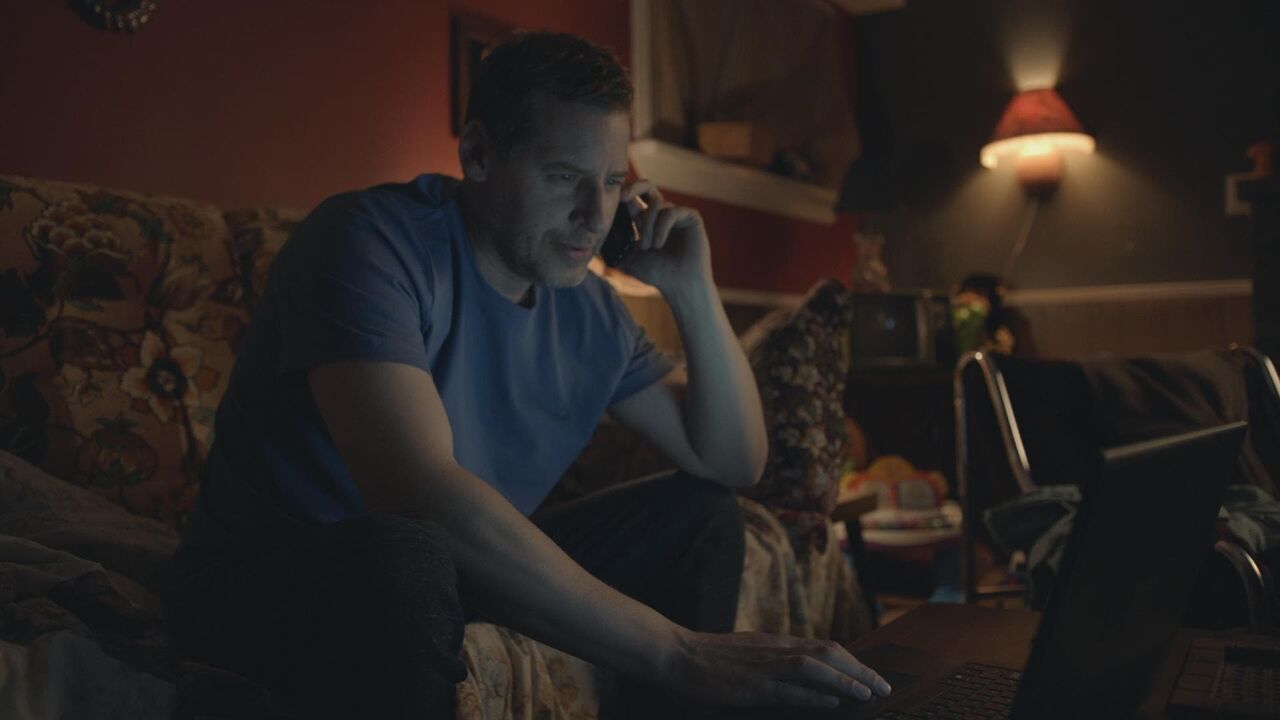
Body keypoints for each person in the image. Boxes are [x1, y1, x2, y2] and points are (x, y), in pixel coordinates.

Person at [166, 30, 891, 718]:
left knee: (701, 517)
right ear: (479, 154)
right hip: (271, 580)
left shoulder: (591, 309)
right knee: (404, 555)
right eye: (565, 177)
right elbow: (417, 493)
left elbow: (733, 462)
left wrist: (691, 291)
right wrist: (678, 650)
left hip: (447, 567)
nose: (593, 215)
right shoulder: (370, 241)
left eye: (612, 181)